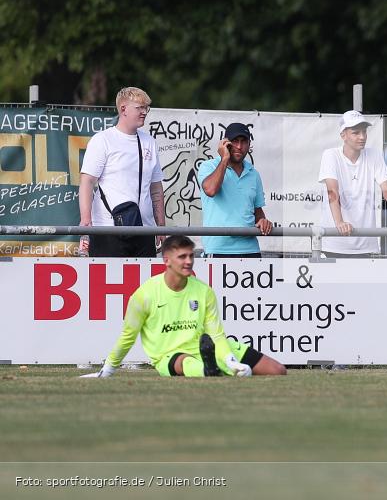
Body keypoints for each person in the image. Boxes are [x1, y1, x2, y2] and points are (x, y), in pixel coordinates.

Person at [83, 235, 287, 378]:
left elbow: (216, 335)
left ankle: (220, 367)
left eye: (191, 256)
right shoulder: (144, 294)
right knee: (186, 363)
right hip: (169, 356)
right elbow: (127, 337)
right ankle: (209, 371)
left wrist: (231, 360)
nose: (189, 261)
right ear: (166, 261)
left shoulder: (203, 291)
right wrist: (107, 370)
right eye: (182, 257)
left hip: (207, 348)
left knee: (278, 370)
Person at [318, 110, 387, 258]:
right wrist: (339, 223)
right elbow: (332, 190)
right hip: (335, 243)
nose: (362, 137)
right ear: (343, 135)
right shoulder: (330, 155)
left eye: (364, 132)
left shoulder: (374, 154)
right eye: (356, 132)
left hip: (365, 243)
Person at [79, 87, 165, 257]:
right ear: (123, 109)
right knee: (110, 281)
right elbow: (87, 182)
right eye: (139, 107)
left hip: (144, 229)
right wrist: (86, 221)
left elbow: (156, 188)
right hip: (108, 227)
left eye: (146, 108)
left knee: (144, 282)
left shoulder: (149, 142)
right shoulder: (103, 140)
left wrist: (161, 226)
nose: (144, 112)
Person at [197, 122, 273, 258]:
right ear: (225, 143)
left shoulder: (253, 173)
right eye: (235, 141)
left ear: (249, 145)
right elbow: (211, 190)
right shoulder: (208, 166)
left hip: (250, 250)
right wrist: (224, 159)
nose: (239, 146)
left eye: (244, 142)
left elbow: (257, 212)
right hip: (218, 249)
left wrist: (263, 220)